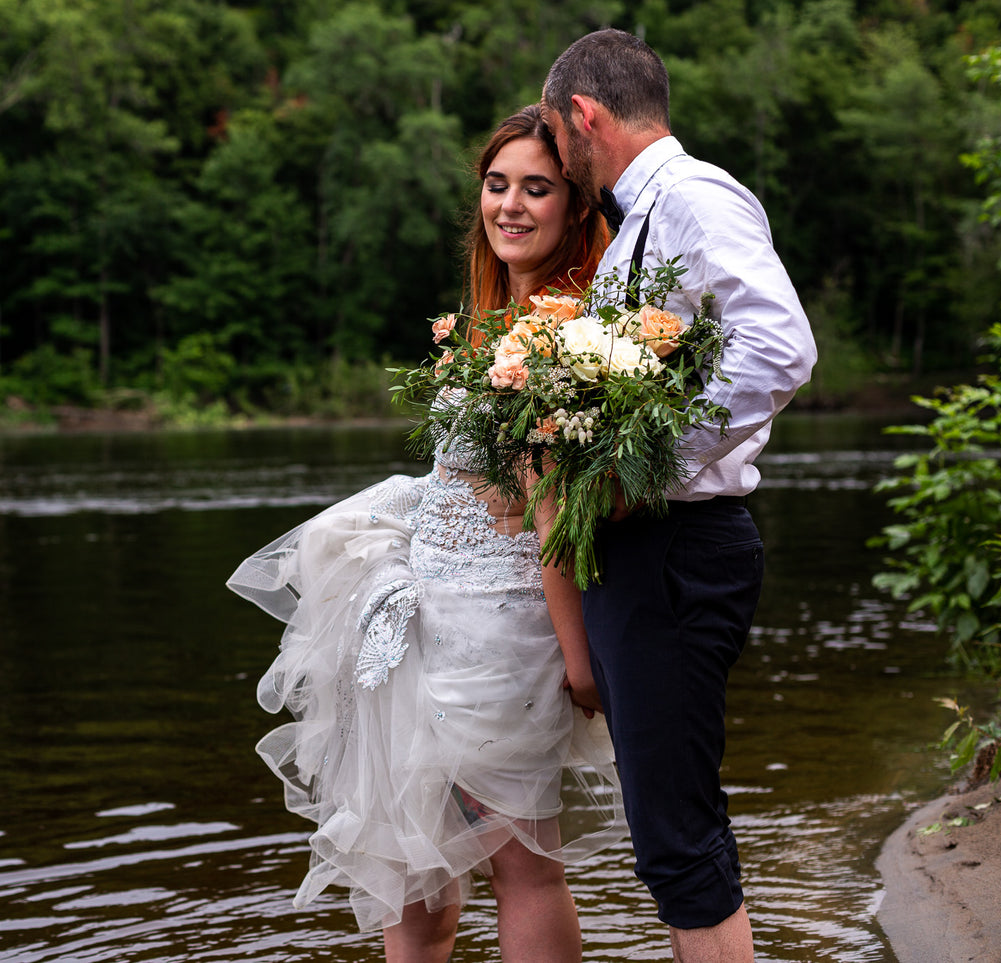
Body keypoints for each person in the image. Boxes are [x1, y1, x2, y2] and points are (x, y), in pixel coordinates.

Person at [228, 105, 622, 963]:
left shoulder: (566, 334)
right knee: (411, 862)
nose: (510, 205)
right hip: (419, 612)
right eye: (496, 184)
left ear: (576, 208)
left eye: (537, 188)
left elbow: (553, 514)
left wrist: (579, 661)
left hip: (499, 624)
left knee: (523, 864)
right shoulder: (490, 319)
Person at [540, 28, 818, 962]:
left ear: (583, 115)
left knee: (675, 832)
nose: (558, 159)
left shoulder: (693, 197)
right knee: (667, 827)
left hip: (677, 546)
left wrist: (640, 467)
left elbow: (779, 345)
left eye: (555, 134)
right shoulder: (642, 219)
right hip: (647, 554)